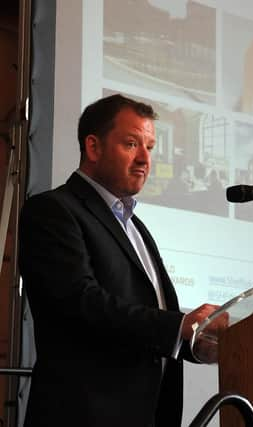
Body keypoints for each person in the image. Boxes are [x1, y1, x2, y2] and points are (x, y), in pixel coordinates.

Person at [18, 94, 222, 427]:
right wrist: (177, 326)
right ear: (94, 147)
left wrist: (197, 342)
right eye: (131, 144)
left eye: (150, 147)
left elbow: (147, 324)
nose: (145, 159)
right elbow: (79, 303)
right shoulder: (53, 211)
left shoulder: (135, 227)